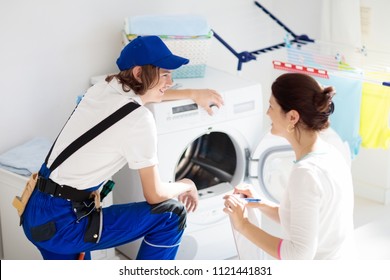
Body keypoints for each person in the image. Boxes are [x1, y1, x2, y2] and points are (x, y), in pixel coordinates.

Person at [22, 35, 224, 260]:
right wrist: (187, 183)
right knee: (171, 215)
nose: (170, 82)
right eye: (165, 74)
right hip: (64, 222)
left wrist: (192, 93)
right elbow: (155, 194)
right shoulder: (139, 119)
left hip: (36, 211)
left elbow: (144, 96)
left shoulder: (102, 88)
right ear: (139, 73)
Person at [223, 73, 356, 260]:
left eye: (271, 106)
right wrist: (259, 203)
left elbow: (297, 255)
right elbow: (305, 221)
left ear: (292, 116)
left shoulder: (306, 173)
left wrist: (243, 225)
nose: (267, 113)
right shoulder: (332, 154)